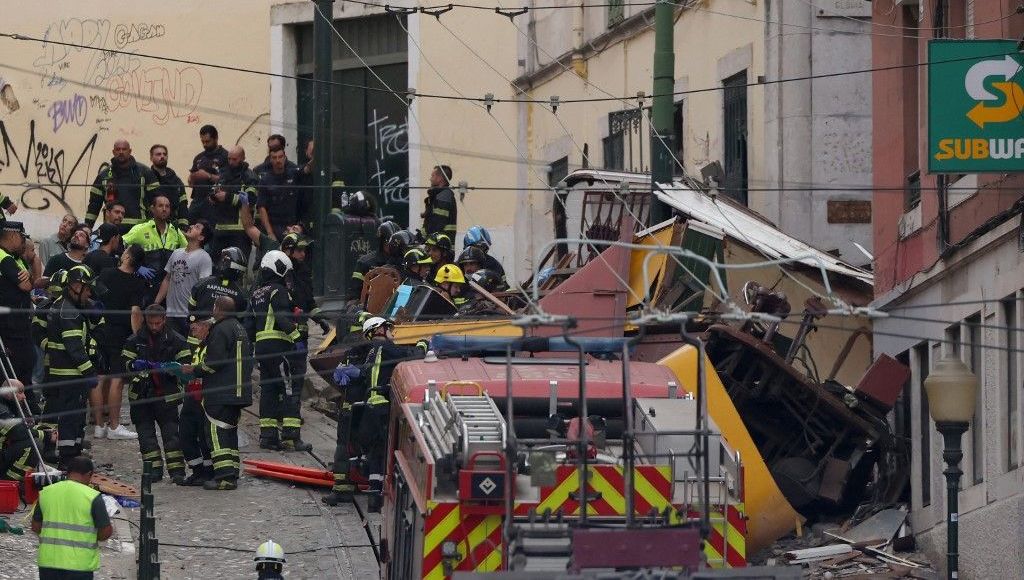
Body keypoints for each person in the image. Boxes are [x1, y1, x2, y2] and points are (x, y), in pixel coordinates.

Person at [323, 317, 426, 510]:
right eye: (389, 329)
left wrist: (356, 373)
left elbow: (352, 376)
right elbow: (410, 355)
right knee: (367, 449)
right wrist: (422, 345)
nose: (391, 334)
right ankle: (357, 492)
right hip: (366, 408)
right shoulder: (379, 350)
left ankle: (352, 488)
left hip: (359, 407)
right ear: (379, 330)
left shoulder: (363, 352)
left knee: (360, 449)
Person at [187, 296, 253, 491]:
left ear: (217, 309)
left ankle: (224, 477)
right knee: (229, 431)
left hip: (221, 391)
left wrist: (195, 370)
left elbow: (214, 362)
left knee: (216, 433)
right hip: (239, 391)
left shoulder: (220, 330)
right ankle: (232, 471)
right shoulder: (240, 328)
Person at [248, 250, 309, 451]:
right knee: (290, 389)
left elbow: (249, 326)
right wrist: (297, 338)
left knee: (269, 391)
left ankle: (268, 436)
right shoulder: (279, 291)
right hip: (279, 348)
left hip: (262, 351)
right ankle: (292, 437)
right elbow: (282, 319)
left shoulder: (256, 293)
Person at [123, 305, 190, 484]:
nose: (154, 327)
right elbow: (124, 365)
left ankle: (177, 471)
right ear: (146, 320)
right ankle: (153, 471)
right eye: (151, 323)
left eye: (158, 323)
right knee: (146, 437)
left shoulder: (176, 340)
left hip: (167, 395)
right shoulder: (135, 340)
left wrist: (170, 369)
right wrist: (134, 365)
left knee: (172, 436)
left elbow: (186, 367)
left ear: (164, 320)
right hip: (141, 396)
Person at [44, 265, 101, 468]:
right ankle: (68, 458)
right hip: (71, 375)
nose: (89, 293)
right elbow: (75, 348)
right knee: (71, 418)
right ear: (75, 286)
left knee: (75, 416)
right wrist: (89, 371)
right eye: (86, 289)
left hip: (64, 374)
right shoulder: (69, 313)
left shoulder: (63, 306)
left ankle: (74, 454)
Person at [91, 245, 146, 442]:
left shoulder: (106, 274)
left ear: (127, 256)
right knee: (117, 379)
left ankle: (98, 425)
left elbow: (95, 296)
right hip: (119, 334)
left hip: (100, 330)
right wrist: (138, 337)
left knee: (98, 377)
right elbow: (135, 313)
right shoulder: (137, 283)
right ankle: (114, 426)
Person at [32, 456, 113, 580]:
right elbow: (106, 532)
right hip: (79, 565)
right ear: (89, 474)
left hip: (48, 563)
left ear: (68, 472)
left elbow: (36, 526)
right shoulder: (93, 496)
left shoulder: (46, 493)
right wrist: (89, 535)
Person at [121, 194, 188, 305]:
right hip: (145, 286)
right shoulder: (141, 229)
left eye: (167, 206)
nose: (164, 209)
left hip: (168, 288)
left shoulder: (175, 231)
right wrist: (136, 267)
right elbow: (119, 246)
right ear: (152, 208)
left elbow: (188, 252)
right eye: (160, 206)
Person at [155, 220, 214, 336]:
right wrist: (156, 303)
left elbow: (204, 287)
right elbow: (167, 279)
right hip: (171, 313)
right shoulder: (176, 252)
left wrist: (198, 316)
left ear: (201, 237)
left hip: (189, 316)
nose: (191, 226)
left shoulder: (204, 257)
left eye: (197, 227)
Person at [85, 139, 160, 230]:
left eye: (124, 149)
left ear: (130, 151)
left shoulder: (145, 173)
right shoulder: (103, 176)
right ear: (113, 152)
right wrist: (87, 227)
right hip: (111, 229)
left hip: (140, 230)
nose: (121, 152)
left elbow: (157, 201)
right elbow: (94, 205)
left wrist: (158, 227)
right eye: (118, 149)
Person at [0, 222, 36, 391]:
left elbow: (31, 281)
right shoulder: (4, 257)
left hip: (18, 323)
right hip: (10, 326)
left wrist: (29, 275)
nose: (24, 242)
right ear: (13, 236)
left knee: (27, 362)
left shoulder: (14, 257)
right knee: (18, 367)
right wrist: (28, 279)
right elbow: (26, 286)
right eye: (22, 238)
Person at [179, 315, 213, 486]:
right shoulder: (199, 347)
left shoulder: (211, 345)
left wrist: (193, 370)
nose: (193, 332)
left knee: (203, 435)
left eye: (195, 328)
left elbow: (209, 369)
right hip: (192, 396)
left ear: (206, 326)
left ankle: (208, 472)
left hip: (204, 397)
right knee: (185, 432)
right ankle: (196, 470)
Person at [210, 146, 257, 257]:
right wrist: (213, 197)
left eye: (234, 159)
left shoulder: (250, 177)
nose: (231, 162)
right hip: (220, 230)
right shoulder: (223, 175)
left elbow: (251, 200)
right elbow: (214, 190)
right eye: (229, 159)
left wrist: (227, 197)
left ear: (243, 158)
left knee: (237, 267)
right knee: (217, 267)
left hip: (240, 232)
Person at [282, 233, 328, 346]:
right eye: (299, 250)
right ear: (287, 251)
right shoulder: (280, 271)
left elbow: (308, 300)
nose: (303, 254)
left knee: (300, 362)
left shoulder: (304, 271)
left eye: (304, 250)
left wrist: (319, 319)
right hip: (284, 332)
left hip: (302, 332)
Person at [256, 145, 305, 241]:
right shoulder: (265, 180)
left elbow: (307, 169)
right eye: (274, 158)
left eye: (280, 157)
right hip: (273, 226)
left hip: (292, 227)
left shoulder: (294, 174)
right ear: (270, 159)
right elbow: (262, 208)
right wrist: (270, 233)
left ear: (285, 158)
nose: (278, 160)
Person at [189, 247, 249, 324]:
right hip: (223, 334)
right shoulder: (242, 294)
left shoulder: (202, 284)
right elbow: (241, 321)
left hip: (197, 332)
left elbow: (191, 308)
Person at [347, 221, 402, 302]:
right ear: (381, 242)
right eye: (389, 244)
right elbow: (354, 295)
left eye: (395, 244)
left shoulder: (404, 262)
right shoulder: (365, 263)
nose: (392, 247)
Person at [187, 125, 229, 221]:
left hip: (214, 201)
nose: (205, 144)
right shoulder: (198, 158)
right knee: (188, 224)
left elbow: (228, 180)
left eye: (207, 141)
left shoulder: (225, 156)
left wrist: (208, 176)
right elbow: (190, 183)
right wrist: (192, 177)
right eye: (202, 142)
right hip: (197, 200)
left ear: (216, 138)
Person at [149, 144, 189, 229]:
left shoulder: (176, 180)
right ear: (151, 158)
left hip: (172, 225)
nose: (162, 156)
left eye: (164, 154)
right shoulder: (148, 178)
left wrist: (183, 225)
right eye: (158, 154)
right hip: (152, 225)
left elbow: (183, 205)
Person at [0, 379, 34, 481]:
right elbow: (17, 433)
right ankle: (8, 482)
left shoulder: (12, 406)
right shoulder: (2, 410)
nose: (24, 396)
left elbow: (24, 428)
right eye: (20, 392)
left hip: (3, 451)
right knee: (33, 444)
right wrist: (46, 436)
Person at [422, 164, 456, 239]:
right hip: (436, 246)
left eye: (432, 176)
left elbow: (437, 224)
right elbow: (430, 222)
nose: (430, 179)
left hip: (440, 247)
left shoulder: (444, 196)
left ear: (440, 178)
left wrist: (427, 239)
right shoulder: (437, 196)